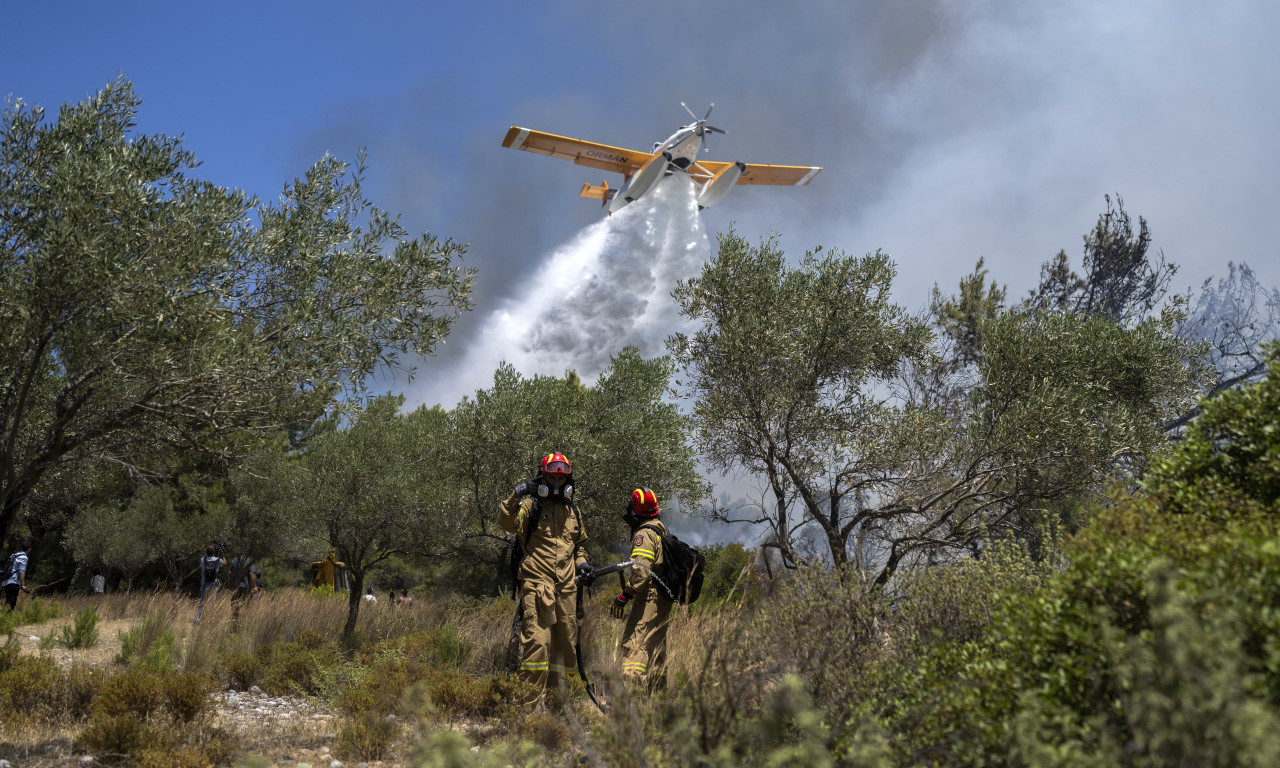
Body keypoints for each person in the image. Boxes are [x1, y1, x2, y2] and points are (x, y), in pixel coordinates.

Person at [498, 451, 590, 703]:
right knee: (537, 644)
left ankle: (558, 710)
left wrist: (582, 564)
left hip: (567, 589)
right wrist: (517, 493)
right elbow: (505, 522)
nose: (558, 484)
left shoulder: (575, 512)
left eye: (562, 480)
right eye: (552, 478)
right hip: (537, 584)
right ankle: (527, 708)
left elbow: (579, 546)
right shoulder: (530, 507)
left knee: (566, 650)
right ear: (543, 478)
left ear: (569, 481)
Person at [611, 487, 674, 691]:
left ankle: (632, 693)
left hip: (649, 597)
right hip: (662, 598)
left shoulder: (645, 533)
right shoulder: (661, 529)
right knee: (655, 645)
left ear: (636, 510)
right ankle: (657, 695)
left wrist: (625, 595)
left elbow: (641, 571)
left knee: (635, 643)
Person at [195, 545, 225, 622]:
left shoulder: (202, 559)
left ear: (206, 552)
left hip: (204, 583)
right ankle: (210, 620)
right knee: (212, 602)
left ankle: (197, 619)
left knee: (202, 601)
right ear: (214, 552)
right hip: (214, 584)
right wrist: (222, 554)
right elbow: (225, 563)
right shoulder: (218, 560)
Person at [3, 539, 33, 612]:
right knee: (11, 603)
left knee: (8, 602)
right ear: (28, 549)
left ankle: (5, 619)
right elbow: (22, 572)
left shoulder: (14, 555)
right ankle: (6, 620)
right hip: (13, 581)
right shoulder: (24, 557)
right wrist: (23, 585)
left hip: (6, 581)